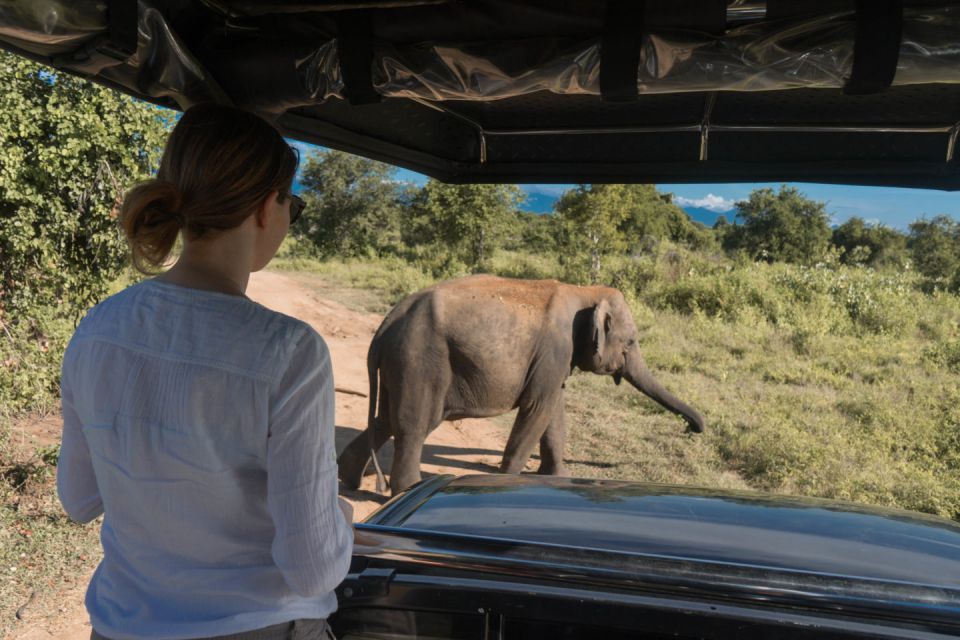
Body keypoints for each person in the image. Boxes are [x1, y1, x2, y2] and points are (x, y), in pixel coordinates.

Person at [56, 103, 353, 640]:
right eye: (294, 205)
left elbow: (79, 500)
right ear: (268, 207)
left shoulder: (97, 327)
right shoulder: (290, 351)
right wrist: (343, 515)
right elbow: (312, 568)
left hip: (121, 628)